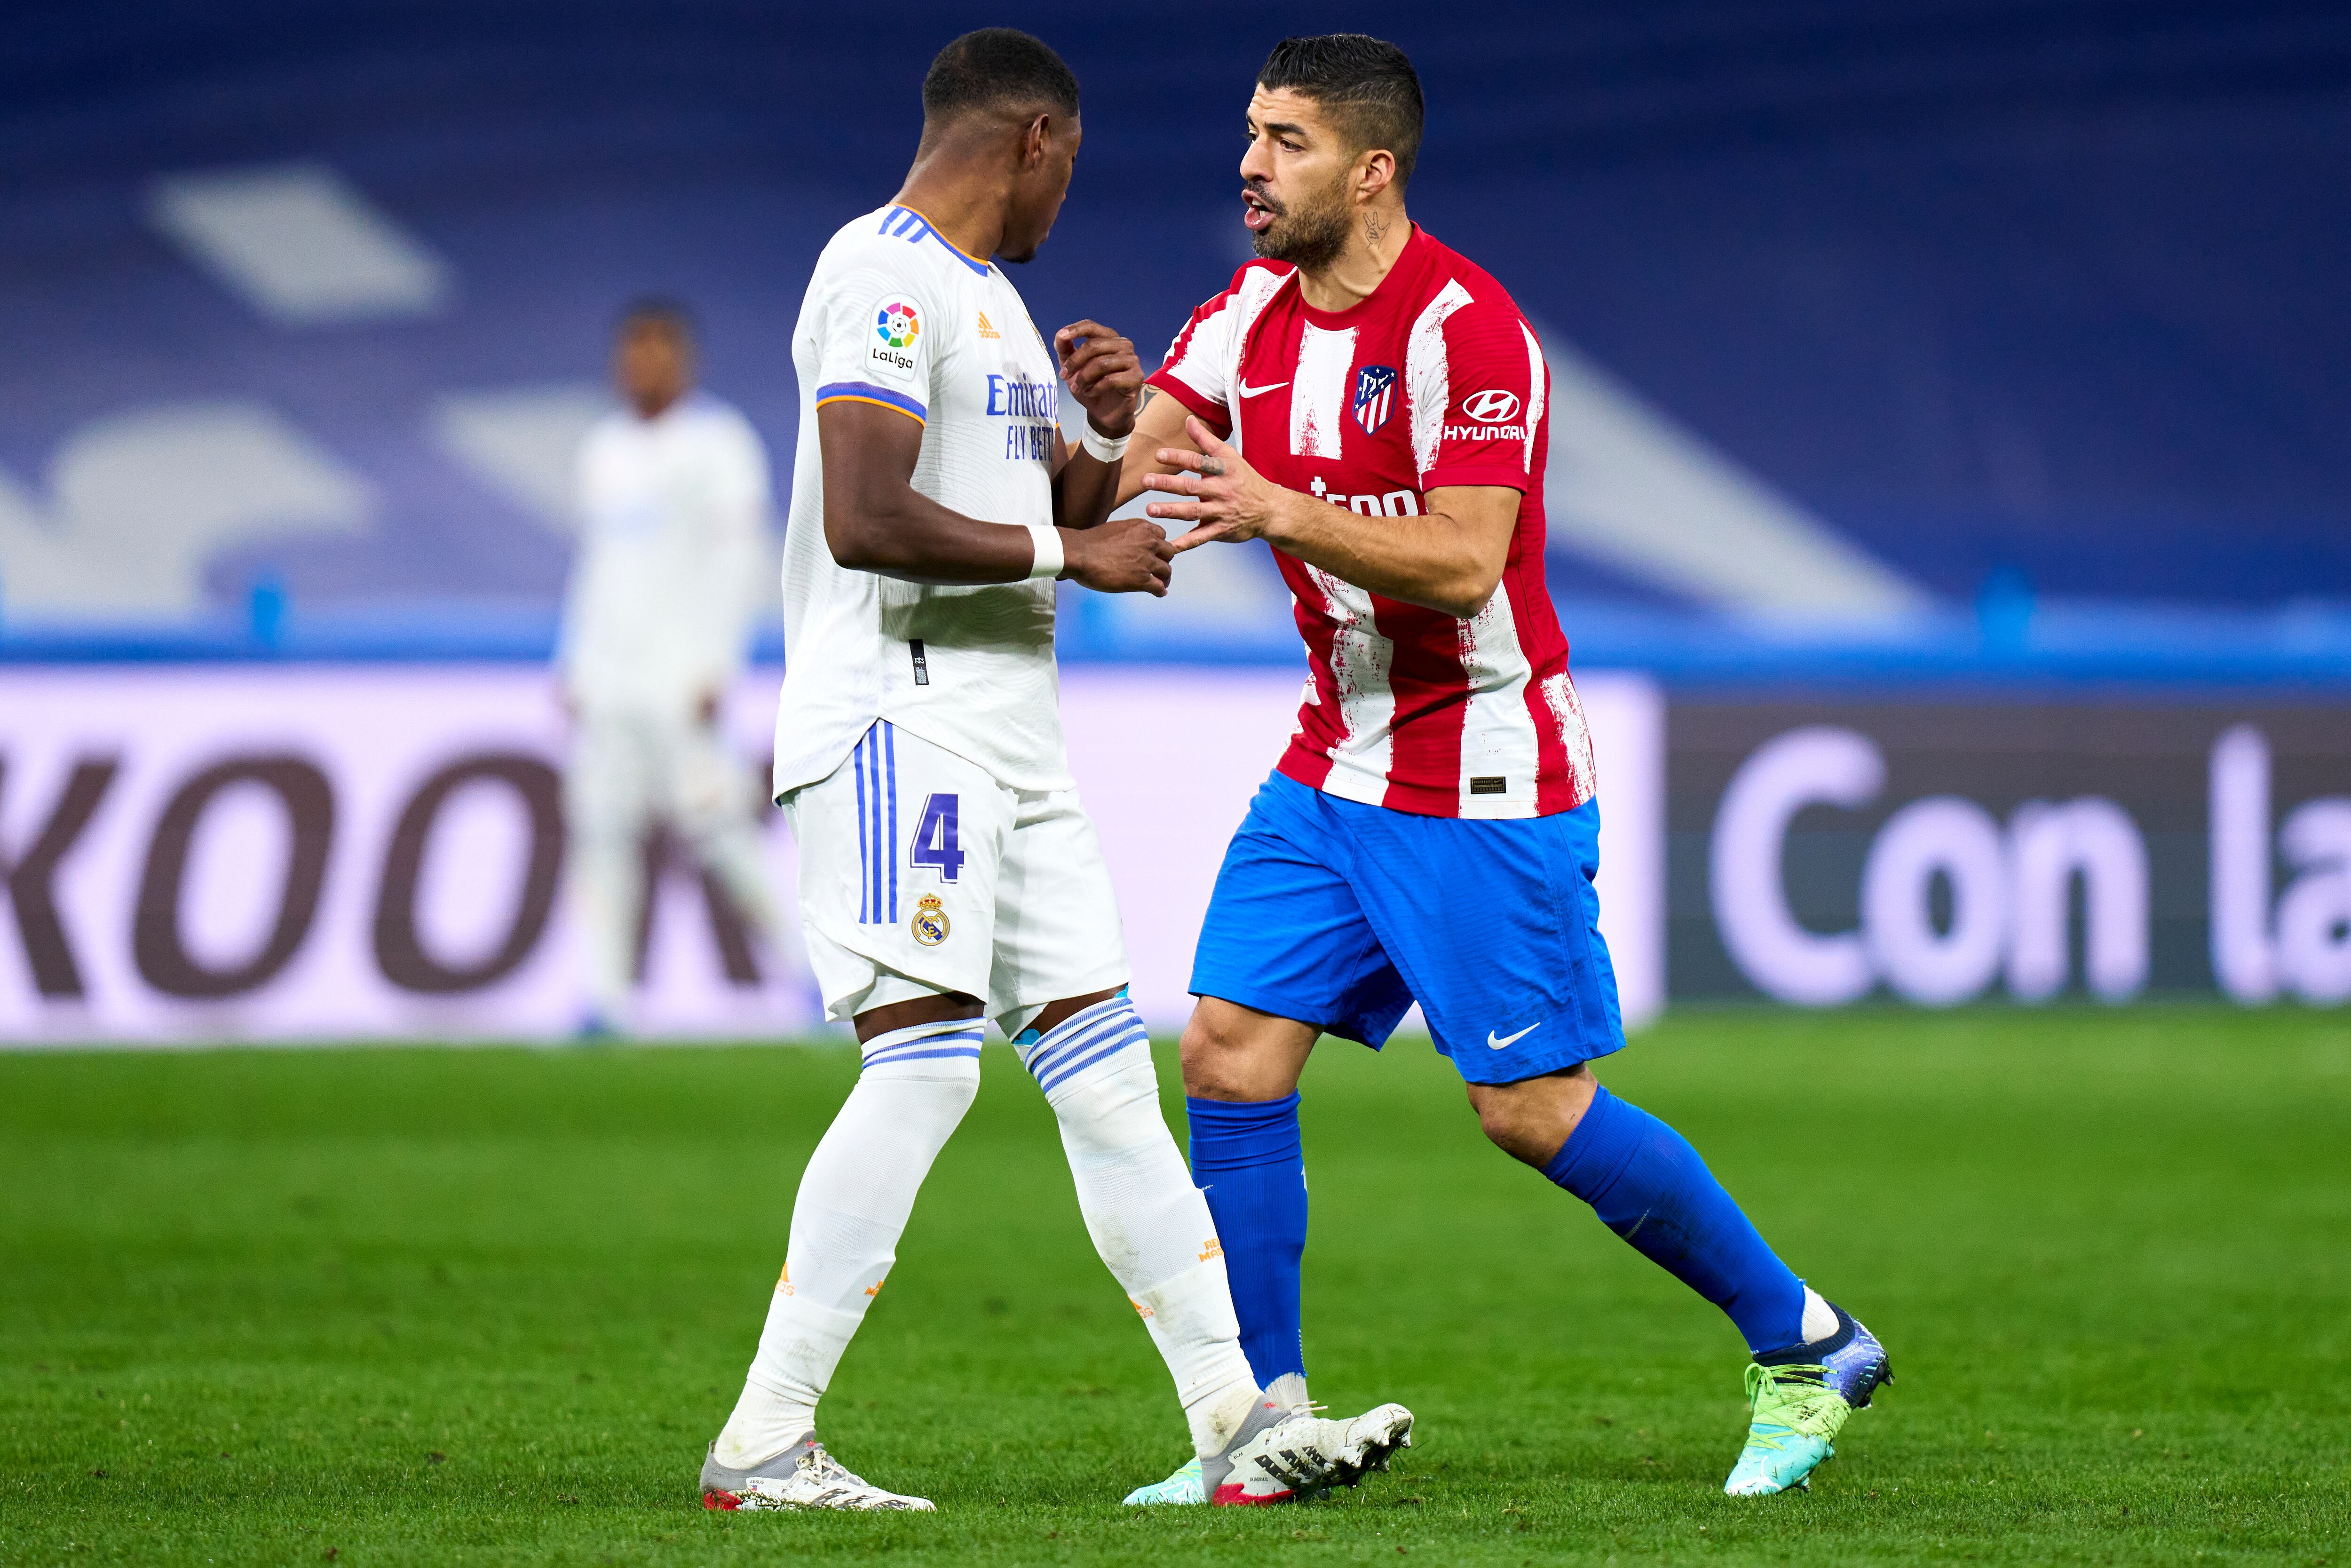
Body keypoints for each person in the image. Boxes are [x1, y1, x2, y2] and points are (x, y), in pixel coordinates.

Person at [1111, 34, 1892, 1505]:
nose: (1250, 164)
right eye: (1251, 135)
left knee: (1527, 1106)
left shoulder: (1470, 333)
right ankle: (1263, 1419)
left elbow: (1469, 561)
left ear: (1373, 167)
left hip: (1480, 769)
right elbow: (1123, 473)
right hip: (1331, 754)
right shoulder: (1245, 312)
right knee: (1224, 1045)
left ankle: (1806, 1336)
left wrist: (1278, 501)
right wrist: (1090, 416)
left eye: (1285, 139)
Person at [697, 28, 1411, 1513]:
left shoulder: (995, 307)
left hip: (1013, 737)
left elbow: (1061, 495)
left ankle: (1236, 1416)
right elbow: (867, 514)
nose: (1062, 202)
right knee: (924, 1064)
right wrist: (1072, 545)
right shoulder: (885, 273)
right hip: (906, 722)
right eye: (1067, 169)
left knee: (1105, 1080)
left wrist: (1102, 431)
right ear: (1033, 138)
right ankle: (767, 1434)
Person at [557, 301, 785, 1036]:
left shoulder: (718, 445)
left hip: (682, 681)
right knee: (601, 832)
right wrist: (574, 662)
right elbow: (594, 568)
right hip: (612, 682)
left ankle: (814, 981)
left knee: (722, 833)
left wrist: (717, 664)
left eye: (658, 350)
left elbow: (738, 560)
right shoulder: (603, 451)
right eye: (634, 351)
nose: (644, 365)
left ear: (684, 359)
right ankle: (607, 1000)